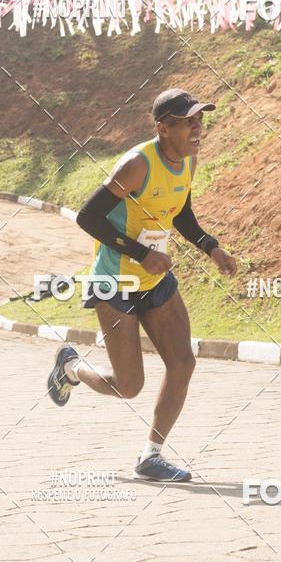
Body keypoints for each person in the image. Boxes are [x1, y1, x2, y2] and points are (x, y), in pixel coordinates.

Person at [47, 88, 237, 483]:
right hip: (114, 281)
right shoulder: (137, 165)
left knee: (182, 362)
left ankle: (151, 455)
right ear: (163, 127)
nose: (197, 128)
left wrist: (210, 246)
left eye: (199, 120)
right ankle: (70, 366)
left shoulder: (188, 161)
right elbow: (88, 217)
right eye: (188, 122)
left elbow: (180, 210)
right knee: (128, 386)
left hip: (153, 278)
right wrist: (139, 252)